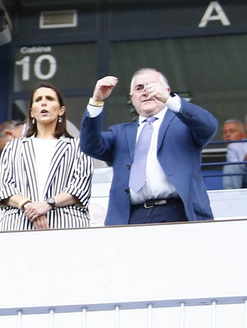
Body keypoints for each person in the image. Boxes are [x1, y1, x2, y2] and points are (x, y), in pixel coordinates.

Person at [79, 69, 218, 225]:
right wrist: (96, 101)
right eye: (139, 88)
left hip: (178, 212)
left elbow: (209, 126)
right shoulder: (120, 133)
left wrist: (169, 100)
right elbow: (89, 145)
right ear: (132, 98)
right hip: (131, 217)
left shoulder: (184, 126)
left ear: (167, 91)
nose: (145, 92)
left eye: (152, 86)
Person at [0, 84, 93, 231]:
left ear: (61, 110)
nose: (44, 103)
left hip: (66, 225)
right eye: (38, 99)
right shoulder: (13, 147)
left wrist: (47, 204)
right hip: (20, 224)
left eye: (50, 99)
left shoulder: (78, 146)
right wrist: (29, 206)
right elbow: (5, 189)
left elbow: (80, 188)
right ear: (32, 112)